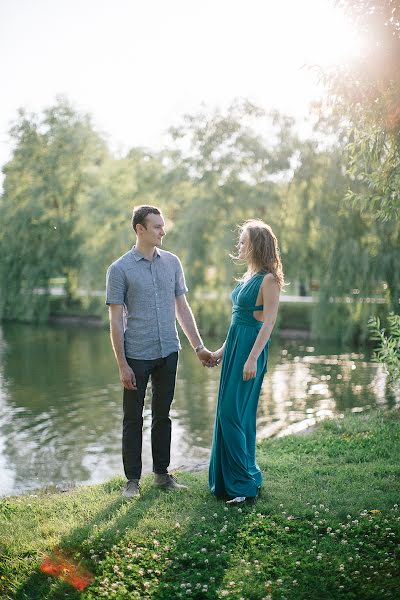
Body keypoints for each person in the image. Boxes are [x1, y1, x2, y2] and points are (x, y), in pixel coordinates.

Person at [106, 205, 215, 498]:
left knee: (163, 415)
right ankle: (132, 481)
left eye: (163, 226)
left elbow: (182, 307)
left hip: (169, 351)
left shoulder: (173, 263)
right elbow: (115, 320)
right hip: (136, 355)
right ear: (139, 229)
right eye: (156, 227)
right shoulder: (119, 269)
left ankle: (162, 475)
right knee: (132, 419)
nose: (163, 231)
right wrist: (122, 365)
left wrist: (199, 346)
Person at [209, 219, 283, 504]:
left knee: (232, 413)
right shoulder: (249, 276)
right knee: (233, 414)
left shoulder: (269, 280)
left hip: (251, 351)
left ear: (257, 245)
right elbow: (237, 323)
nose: (238, 246)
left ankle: (243, 486)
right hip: (237, 348)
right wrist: (220, 353)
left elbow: (268, 322)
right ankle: (242, 477)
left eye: (243, 241)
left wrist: (252, 358)